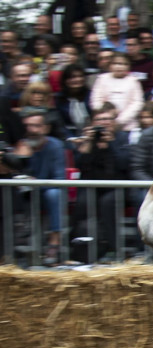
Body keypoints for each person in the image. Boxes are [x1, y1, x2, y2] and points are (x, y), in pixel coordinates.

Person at [70, 102, 131, 261]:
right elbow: (80, 166)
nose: (104, 123)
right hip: (92, 186)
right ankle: (76, 248)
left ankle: (114, 248)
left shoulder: (122, 138)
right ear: (92, 123)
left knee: (107, 202)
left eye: (108, 119)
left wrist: (110, 144)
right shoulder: (88, 140)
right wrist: (88, 144)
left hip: (117, 187)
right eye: (100, 120)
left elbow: (124, 164)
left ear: (114, 121)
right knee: (82, 203)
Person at [9, 109, 66, 264]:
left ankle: (55, 242)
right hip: (22, 191)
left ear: (45, 128)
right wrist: (21, 158)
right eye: (27, 126)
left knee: (54, 194)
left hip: (46, 191)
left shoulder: (55, 146)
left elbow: (59, 178)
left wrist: (35, 181)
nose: (31, 130)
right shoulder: (19, 145)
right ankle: (11, 248)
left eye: (36, 126)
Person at [89, 51, 143, 132]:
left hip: (128, 126)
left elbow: (137, 103)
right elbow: (95, 100)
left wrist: (119, 121)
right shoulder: (102, 79)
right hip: (103, 124)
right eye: (116, 63)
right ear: (110, 65)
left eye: (123, 64)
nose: (119, 67)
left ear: (129, 66)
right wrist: (106, 117)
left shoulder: (133, 81)